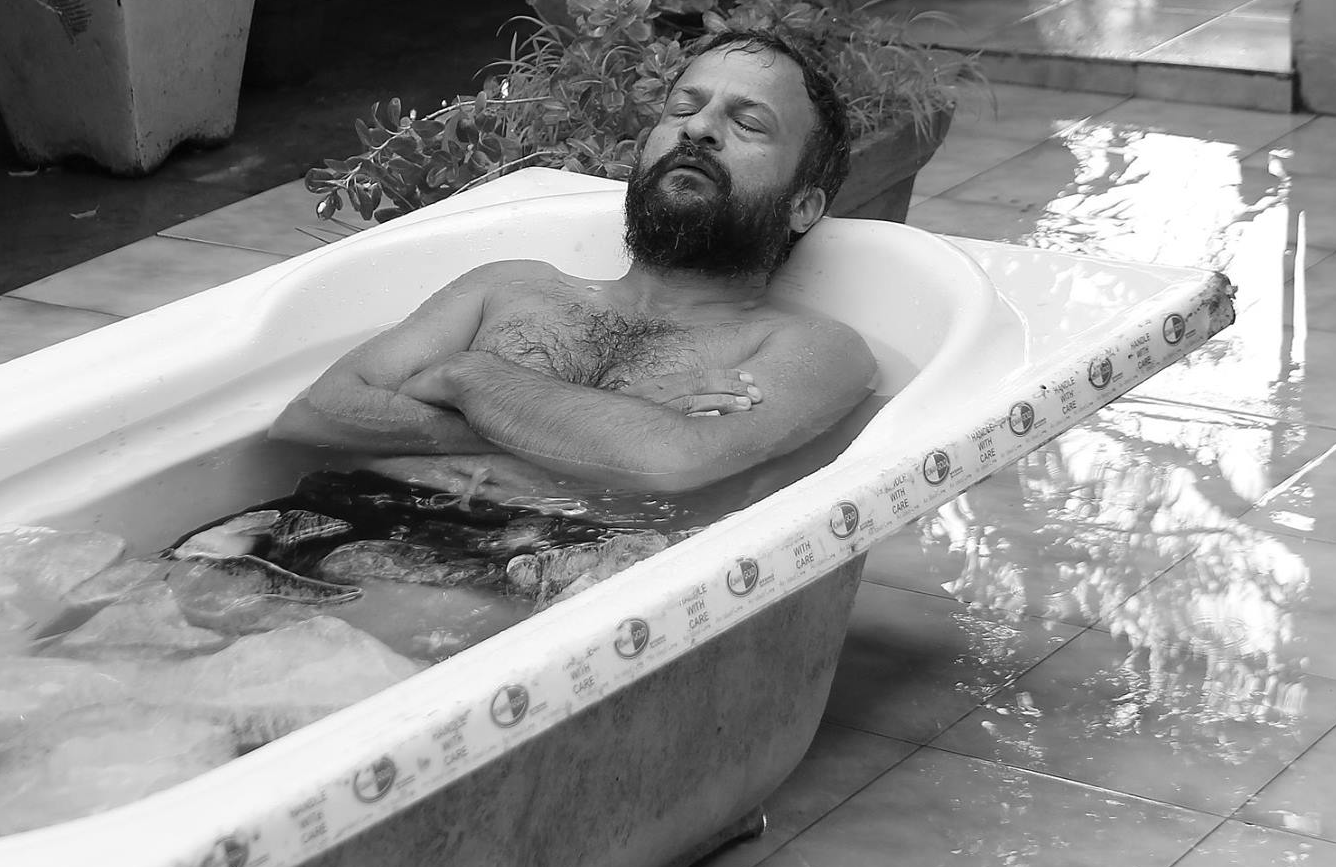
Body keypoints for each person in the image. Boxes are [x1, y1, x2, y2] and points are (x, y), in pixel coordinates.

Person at [266, 29, 878, 509]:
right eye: (681, 108)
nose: (698, 128)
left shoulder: (812, 348)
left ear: (803, 206)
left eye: (747, 123)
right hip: (322, 520)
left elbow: (669, 461)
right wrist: (596, 420)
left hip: (522, 578)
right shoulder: (506, 286)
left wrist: (468, 379)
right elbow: (313, 415)